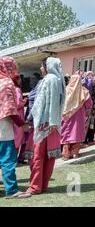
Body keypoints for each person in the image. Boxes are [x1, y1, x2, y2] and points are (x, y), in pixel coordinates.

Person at [24, 57, 65, 197]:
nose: (41, 69)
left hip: (43, 124)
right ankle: (43, 184)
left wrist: (29, 117)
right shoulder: (59, 81)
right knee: (49, 157)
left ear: (47, 67)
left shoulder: (47, 80)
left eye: (42, 66)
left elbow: (39, 103)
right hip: (54, 125)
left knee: (37, 156)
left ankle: (35, 186)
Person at [0, 57, 30, 199]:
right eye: (13, 66)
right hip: (3, 126)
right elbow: (9, 109)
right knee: (8, 158)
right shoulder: (6, 83)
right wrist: (21, 124)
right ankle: (11, 190)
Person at [60, 74, 93, 161]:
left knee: (66, 133)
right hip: (79, 115)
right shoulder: (84, 91)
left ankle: (66, 155)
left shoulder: (66, 90)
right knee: (76, 133)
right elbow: (89, 103)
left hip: (67, 115)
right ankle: (75, 153)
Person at [83, 72, 95, 144]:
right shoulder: (93, 83)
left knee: (86, 123)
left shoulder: (83, 83)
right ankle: (90, 139)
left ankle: (85, 140)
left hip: (85, 106)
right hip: (92, 106)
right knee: (92, 123)